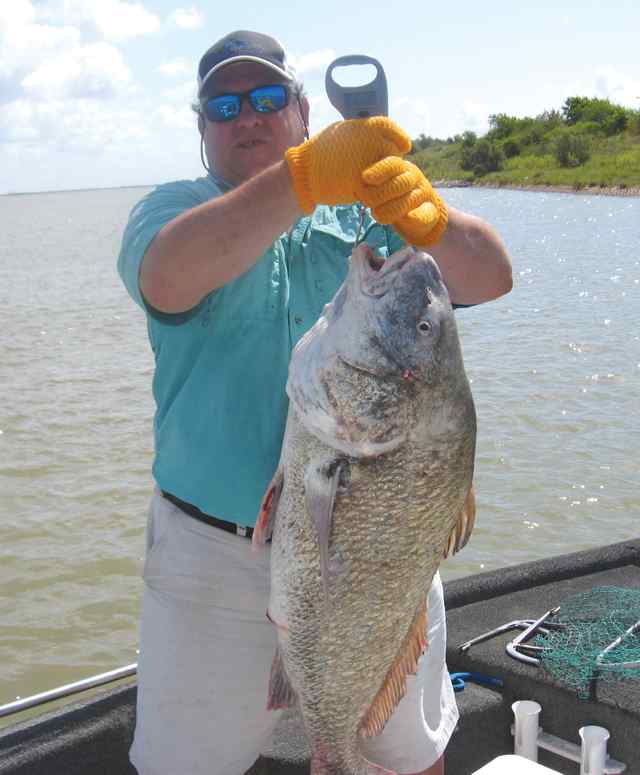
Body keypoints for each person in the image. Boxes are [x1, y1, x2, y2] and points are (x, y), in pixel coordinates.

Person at [117, 30, 512, 775]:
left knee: (411, 752)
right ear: (201, 127)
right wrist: (301, 181)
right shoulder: (174, 214)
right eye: (224, 105)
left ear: (302, 111)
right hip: (210, 559)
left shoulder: (368, 220)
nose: (248, 118)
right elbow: (167, 277)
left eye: (268, 99)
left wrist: (431, 221)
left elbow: (490, 274)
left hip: (383, 553)